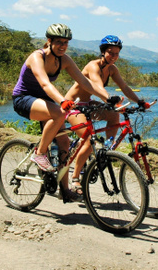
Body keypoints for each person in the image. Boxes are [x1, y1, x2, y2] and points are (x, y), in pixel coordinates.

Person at [12, 24, 119, 203]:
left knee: (64, 143)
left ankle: (65, 190)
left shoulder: (65, 59)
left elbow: (86, 83)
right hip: (24, 99)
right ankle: (39, 153)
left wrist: (108, 98)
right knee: (60, 113)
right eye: (59, 42)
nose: (63, 46)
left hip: (45, 102)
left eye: (66, 43)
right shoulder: (36, 57)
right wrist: (63, 101)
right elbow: (45, 84)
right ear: (49, 41)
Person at [63, 35, 150, 196]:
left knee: (113, 116)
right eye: (110, 53)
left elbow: (124, 87)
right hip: (72, 105)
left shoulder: (112, 69)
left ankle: (106, 150)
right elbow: (96, 84)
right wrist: (110, 99)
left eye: (117, 54)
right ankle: (75, 178)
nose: (114, 57)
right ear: (102, 52)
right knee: (89, 141)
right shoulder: (92, 66)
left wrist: (140, 102)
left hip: (88, 104)